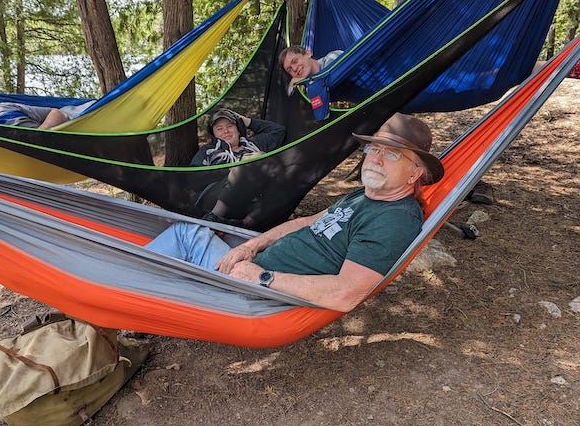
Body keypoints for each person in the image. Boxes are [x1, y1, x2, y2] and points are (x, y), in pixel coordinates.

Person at [147, 112, 444, 311]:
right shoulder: (364, 197)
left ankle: (129, 296)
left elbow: (345, 294)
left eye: (391, 154)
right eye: (373, 149)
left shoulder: (393, 218)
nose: (376, 160)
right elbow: (307, 221)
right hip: (254, 268)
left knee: (185, 234)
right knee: (190, 232)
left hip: (259, 294)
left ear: (415, 173)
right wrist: (250, 246)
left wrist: (261, 277)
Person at [189, 108, 286, 167]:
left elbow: (279, 131)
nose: (226, 131)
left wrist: (248, 122)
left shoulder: (253, 144)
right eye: (219, 129)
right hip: (221, 194)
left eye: (229, 126)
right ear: (214, 135)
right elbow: (194, 177)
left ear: (238, 130)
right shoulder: (208, 151)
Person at [279, 46, 344, 95]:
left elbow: (330, 76)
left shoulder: (332, 57)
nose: (294, 69)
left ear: (308, 54)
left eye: (295, 61)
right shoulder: (310, 89)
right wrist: (291, 85)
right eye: (289, 70)